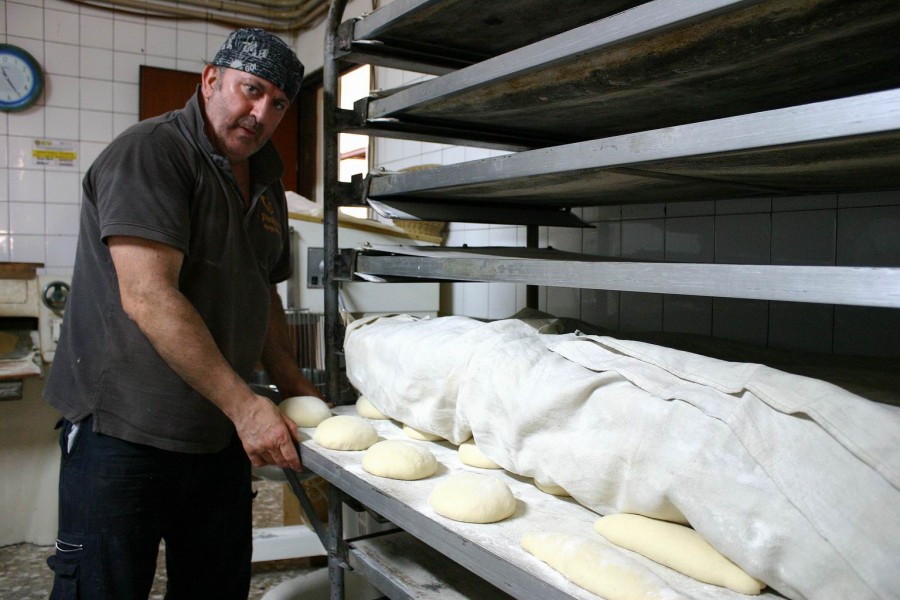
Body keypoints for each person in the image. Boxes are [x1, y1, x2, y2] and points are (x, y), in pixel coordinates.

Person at [43, 28, 319, 599]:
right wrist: (247, 408)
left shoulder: (267, 181)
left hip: (214, 436)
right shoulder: (151, 152)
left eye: (278, 102)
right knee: (103, 590)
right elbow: (148, 295)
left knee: (214, 589)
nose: (260, 112)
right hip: (124, 432)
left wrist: (294, 385)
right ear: (211, 79)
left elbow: (262, 290)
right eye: (251, 89)